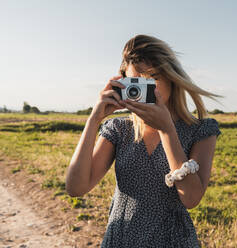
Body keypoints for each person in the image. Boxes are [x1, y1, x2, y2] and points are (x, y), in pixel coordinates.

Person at [65, 34, 221, 247]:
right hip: (121, 240)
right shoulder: (119, 129)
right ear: (124, 83)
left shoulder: (201, 130)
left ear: (171, 77)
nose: (145, 87)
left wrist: (167, 130)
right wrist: (94, 119)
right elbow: (76, 188)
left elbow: (191, 198)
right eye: (136, 81)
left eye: (152, 78)